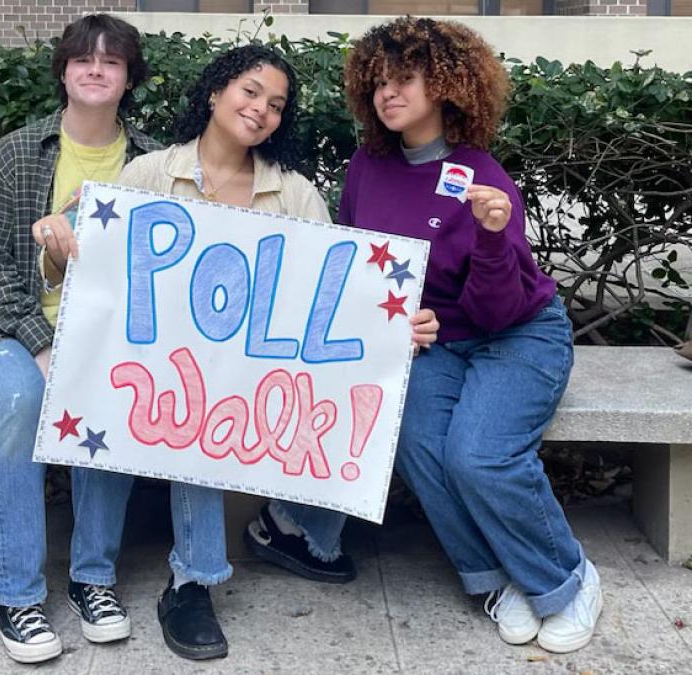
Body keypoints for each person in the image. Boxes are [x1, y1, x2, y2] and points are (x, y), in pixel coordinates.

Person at [40, 44, 438, 661]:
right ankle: (101, 576)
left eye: (276, 105)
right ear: (215, 93)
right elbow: (86, 265)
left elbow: (333, 295)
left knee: (207, 405)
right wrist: (58, 244)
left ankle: (192, 582)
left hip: (241, 386)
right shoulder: (149, 174)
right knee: (175, 397)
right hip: (152, 373)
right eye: (250, 92)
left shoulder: (295, 193)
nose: (261, 110)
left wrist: (394, 325)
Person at [337, 17, 603, 654]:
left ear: (448, 86)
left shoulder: (481, 174)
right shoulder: (366, 169)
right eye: (379, 82)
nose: (388, 93)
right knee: (416, 444)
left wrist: (489, 234)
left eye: (406, 79)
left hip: (517, 334)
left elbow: (498, 307)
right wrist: (396, 318)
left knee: (479, 456)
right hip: (433, 342)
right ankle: (495, 579)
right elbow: (355, 267)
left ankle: (566, 580)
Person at [0, 14, 162, 664]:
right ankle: (17, 593)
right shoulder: (17, 152)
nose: (96, 69)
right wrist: (42, 342)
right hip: (2, 330)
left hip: (106, 337)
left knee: (114, 387)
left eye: (112, 61)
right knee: (18, 400)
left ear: (129, 78)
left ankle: (94, 579)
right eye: (83, 59)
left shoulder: (150, 163)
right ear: (63, 71)